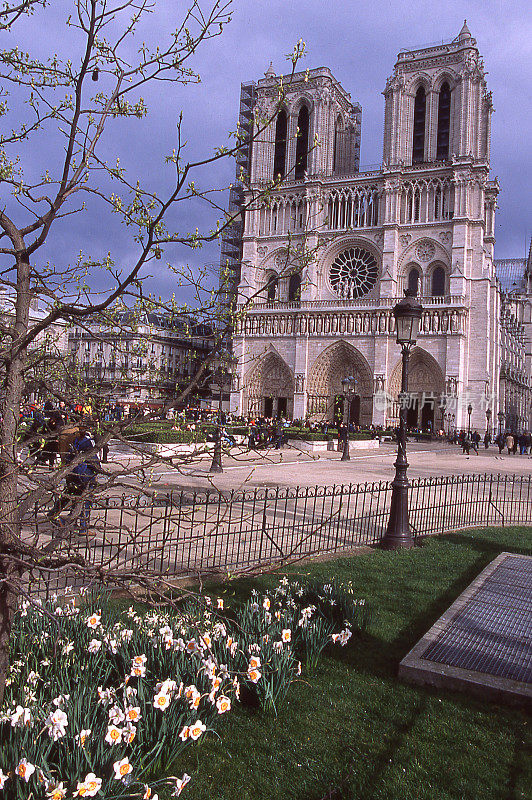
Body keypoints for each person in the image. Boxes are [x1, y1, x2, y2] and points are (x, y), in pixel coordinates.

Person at [48, 425, 101, 534]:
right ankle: (82, 526)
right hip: (85, 475)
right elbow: (93, 459)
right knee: (86, 500)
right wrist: (98, 470)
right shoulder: (86, 442)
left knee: (71, 495)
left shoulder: (70, 443)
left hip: (73, 474)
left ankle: (54, 513)